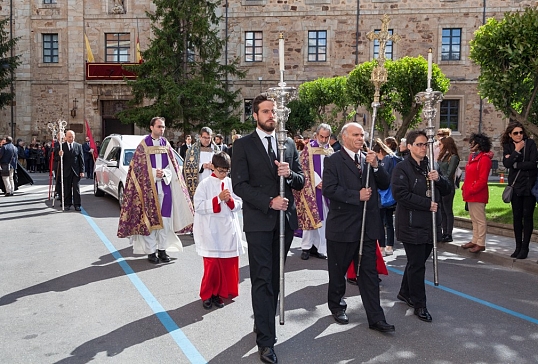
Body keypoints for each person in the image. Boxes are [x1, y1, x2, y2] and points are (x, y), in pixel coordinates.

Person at [231, 94, 304, 364]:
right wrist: (268, 201)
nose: (271, 115)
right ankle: (266, 341)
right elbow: (239, 185)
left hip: (284, 223)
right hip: (260, 223)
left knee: (275, 279)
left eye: (274, 111)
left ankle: (264, 324)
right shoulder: (243, 145)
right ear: (255, 115)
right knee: (262, 279)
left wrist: (289, 174)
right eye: (265, 111)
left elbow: (301, 180)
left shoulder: (288, 144)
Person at [322, 122, 395, 333]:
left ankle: (376, 317)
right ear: (344, 137)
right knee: (338, 273)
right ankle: (337, 306)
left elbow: (383, 183)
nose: (360, 138)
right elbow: (329, 189)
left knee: (369, 274)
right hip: (342, 228)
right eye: (356, 134)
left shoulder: (368, 159)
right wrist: (356, 196)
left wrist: (375, 166)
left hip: (366, 228)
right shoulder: (333, 160)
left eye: (362, 134)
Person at [392, 130, 451, 323]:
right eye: (419, 144)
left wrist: (439, 179)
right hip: (410, 223)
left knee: (416, 261)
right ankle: (420, 304)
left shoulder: (431, 166)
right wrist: (426, 204)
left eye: (425, 144)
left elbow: (447, 189)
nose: (423, 148)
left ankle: (404, 291)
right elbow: (400, 194)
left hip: (430, 224)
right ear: (409, 147)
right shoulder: (402, 168)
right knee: (417, 265)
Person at [117, 117, 194, 263]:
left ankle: (162, 250)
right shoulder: (143, 145)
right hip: (148, 191)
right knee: (151, 222)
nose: (162, 129)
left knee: (165, 221)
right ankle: (151, 252)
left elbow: (173, 167)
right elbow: (137, 169)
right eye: (159, 127)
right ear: (151, 127)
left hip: (165, 188)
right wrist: (153, 173)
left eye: (163, 127)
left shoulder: (166, 144)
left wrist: (164, 173)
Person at [193, 152, 244, 310]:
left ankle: (220, 293)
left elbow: (240, 202)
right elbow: (199, 206)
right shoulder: (205, 184)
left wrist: (230, 201)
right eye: (220, 170)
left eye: (226, 171)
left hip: (228, 229)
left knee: (225, 264)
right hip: (211, 230)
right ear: (213, 167)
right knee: (212, 265)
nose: (223, 174)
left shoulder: (230, 182)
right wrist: (218, 199)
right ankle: (207, 294)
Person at [294, 123, 333, 261]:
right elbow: (303, 167)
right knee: (310, 217)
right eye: (321, 137)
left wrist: (327, 182)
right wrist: (317, 181)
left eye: (326, 137)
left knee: (324, 219)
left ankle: (321, 248)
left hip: (326, 190)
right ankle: (306, 247)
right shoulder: (308, 149)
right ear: (316, 135)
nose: (323, 140)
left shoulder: (330, 150)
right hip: (310, 189)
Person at [501, 122, 537, 259]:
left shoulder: (531, 144)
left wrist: (515, 162)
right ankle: (517, 246)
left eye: (521, 132)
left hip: (529, 185)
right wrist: (517, 151)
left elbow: (533, 163)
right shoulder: (508, 146)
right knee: (516, 217)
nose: (519, 135)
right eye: (516, 133)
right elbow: (507, 164)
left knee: (527, 216)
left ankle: (525, 247)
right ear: (510, 135)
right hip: (515, 185)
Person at [461, 132, 493, 253]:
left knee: (479, 219)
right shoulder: (473, 157)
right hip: (471, 192)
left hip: (477, 194)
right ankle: (475, 240)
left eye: (472, 143)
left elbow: (482, 179)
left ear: (479, 144)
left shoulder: (484, 159)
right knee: (474, 218)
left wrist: (472, 189)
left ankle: (480, 242)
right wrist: (466, 188)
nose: (470, 145)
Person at [372, 138, 402, 256]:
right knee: (389, 222)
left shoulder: (385, 161)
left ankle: (382, 246)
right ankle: (390, 245)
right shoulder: (394, 158)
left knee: (380, 222)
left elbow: (383, 178)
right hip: (391, 195)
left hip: (382, 195)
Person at [184, 127, 220, 200]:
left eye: (209, 138)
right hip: (199, 180)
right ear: (200, 137)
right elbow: (188, 166)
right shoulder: (192, 150)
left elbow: (221, 164)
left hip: (213, 180)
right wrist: (202, 166)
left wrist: (214, 167)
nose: (207, 140)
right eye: (204, 137)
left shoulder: (216, 149)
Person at [437, 136, 460, 243]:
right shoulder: (443, 156)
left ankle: (448, 233)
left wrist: (441, 179)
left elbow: (449, 173)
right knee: (442, 210)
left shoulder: (453, 157)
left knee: (447, 210)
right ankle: (443, 231)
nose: (439, 146)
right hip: (441, 185)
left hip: (448, 186)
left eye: (441, 144)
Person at [55, 130, 85, 211]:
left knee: (76, 188)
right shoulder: (62, 146)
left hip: (76, 171)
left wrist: (82, 171)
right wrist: (60, 155)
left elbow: (81, 159)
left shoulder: (78, 146)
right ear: (66, 137)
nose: (71, 138)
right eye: (69, 137)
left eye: (72, 137)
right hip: (66, 171)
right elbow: (56, 159)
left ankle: (77, 205)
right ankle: (67, 204)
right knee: (67, 188)